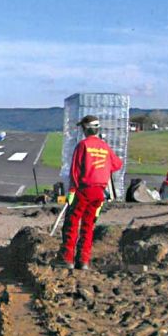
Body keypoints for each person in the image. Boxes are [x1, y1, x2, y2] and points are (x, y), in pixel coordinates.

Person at [56, 115, 123, 271]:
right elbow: (117, 164)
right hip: (99, 192)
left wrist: (72, 191)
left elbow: (75, 170)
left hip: (84, 189)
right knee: (88, 225)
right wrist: (102, 167)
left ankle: (67, 259)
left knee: (72, 223)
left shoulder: (83, 145)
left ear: (85, 129)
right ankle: (83, 260)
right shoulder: (104, 146)